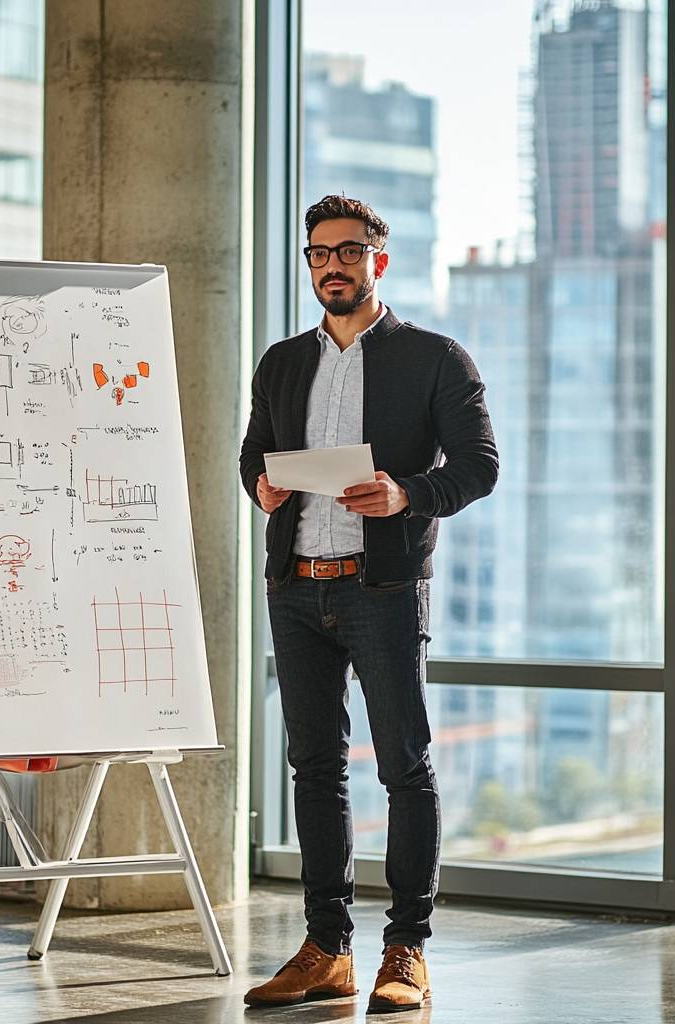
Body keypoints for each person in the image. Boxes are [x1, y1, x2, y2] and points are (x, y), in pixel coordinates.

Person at [240, 195, 498, 1013]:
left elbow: (480, 466)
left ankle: (406, 951)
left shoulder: (434, 357)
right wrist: (262, 486)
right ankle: (326, 949)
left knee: (404, 770)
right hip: (296, 586)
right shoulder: (282, 362)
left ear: (377, 262)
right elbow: (253, 452)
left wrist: (406, 492)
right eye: (318, 253)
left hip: (380, 590)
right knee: (314, 771)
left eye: (348, 252)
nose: (331, 265)